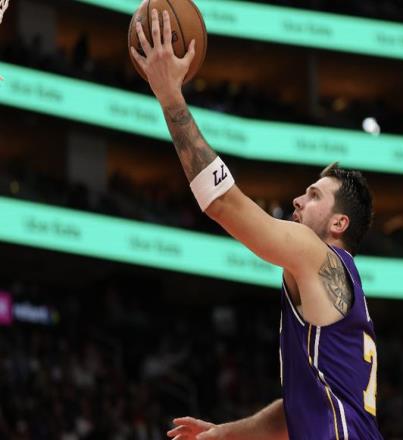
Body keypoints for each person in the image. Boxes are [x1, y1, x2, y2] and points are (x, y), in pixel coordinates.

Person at [131, 9, 383, 440]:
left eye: (314, 195)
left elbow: (224, 203)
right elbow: (297, 408)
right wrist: (224, 434)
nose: (298, 200)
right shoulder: (333, 289)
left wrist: (170, 96)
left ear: (339, 223)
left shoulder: (316, 254)